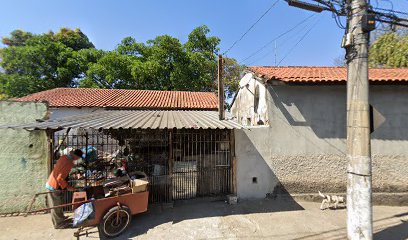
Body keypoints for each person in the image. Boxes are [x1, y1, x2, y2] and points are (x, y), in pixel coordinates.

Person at [46, 149, 83, 229]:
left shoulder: (64, 157)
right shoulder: (69, 162)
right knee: (56, 206)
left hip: (53, 183)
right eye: (78, 158)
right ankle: (58, 224)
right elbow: (60, 178)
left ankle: (61, 219)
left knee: (59, 204)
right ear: (76, 156)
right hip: (54, 185)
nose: (77, 160)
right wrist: (68, 187)